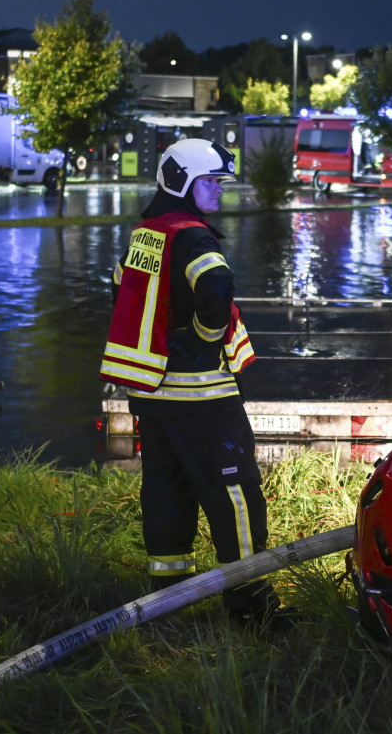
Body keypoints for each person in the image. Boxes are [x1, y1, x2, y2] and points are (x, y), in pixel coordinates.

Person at [99, 137, 285, 625]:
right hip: (203, 397)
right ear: (180, 181)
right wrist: (203, 337)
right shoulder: (194, 237)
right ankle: (250, 607)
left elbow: (120, 287)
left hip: (153, 397)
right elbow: (217, 288)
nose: (220, 190)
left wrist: (169, 335)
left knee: (166, 491)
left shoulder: (146, 233)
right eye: (210, 181)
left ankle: (168, 599)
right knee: (237, 494)